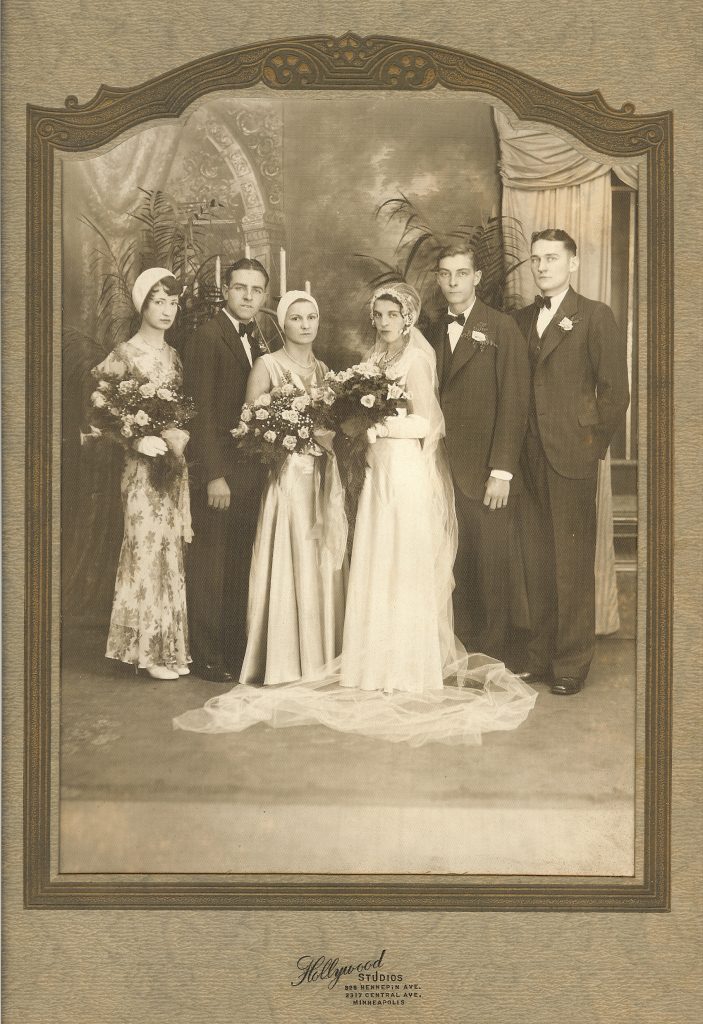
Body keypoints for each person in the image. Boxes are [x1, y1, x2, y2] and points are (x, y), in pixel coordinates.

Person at [175, 283, 536, 745]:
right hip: (373, 470)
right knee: (373, 559)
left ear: (408, 319)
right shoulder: (373, 361)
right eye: (378, 315)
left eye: (392, 315)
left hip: (402, 470)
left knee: (399, 562)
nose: (383, 322)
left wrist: (373, 423)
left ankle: (406, 666)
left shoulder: (417, 359)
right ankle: (370, 664)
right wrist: (358, 425)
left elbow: (428, 423)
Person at [512, 229, 630, 695]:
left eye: (552, 259)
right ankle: (540, 656)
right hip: (527, 458)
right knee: (537, 562)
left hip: (571, 459)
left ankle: (572, 662)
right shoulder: (520, 320)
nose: (542, 266)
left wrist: (588, 446)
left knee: (572, 564)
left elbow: (615, 394)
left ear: (572, 264)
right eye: (536, 259)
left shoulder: (595, 316)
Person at [238, 291, 347, 685]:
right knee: (292, 555)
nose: (305, 324)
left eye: (311, 317)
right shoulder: (267, 366)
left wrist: (329, 437)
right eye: (296, 318)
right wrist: (294, 433)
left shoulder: (324, 370)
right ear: (282, 325)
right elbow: (249, 425)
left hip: (320, 477)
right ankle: (286, 660)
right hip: (288, 479)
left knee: (319, 558)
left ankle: (320, 655)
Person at [428, 244, 530, 663]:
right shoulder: (431, 330)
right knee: (456, 562)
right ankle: (464, 651)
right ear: (438, 280)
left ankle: (494, 656)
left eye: (461, 273)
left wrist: (502, 470)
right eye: (446, 274)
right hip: (441, 468)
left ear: (476, 278)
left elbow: (515, 400)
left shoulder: (501, 327)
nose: (453, 281)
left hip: (487, 469)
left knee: (492, 566)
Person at [92, 267, 191, 680]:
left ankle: (171, 650)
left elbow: (182, 410)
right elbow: (99, 411)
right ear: (142, 305)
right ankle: (147, 653)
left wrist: (179, 434)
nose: (167, 310)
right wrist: (135, 441)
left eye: (173, 302)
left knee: (170, 550)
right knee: (145, 548)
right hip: (140, 468)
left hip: (171, 465)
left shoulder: (174, 356)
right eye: (158, 301)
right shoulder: (124, 354)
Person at [182, 257, 273, 683]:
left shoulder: (257, 337)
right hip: (220, 471)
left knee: (238, 564)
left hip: (248, 471)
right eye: (240, 288)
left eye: (256, 290)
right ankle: (206, 656)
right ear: (226, 288)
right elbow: (199, 413)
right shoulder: (207, 335)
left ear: (264, 295)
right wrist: (213, 474)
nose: (248, 297)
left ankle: (234, 653)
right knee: (211, 564)